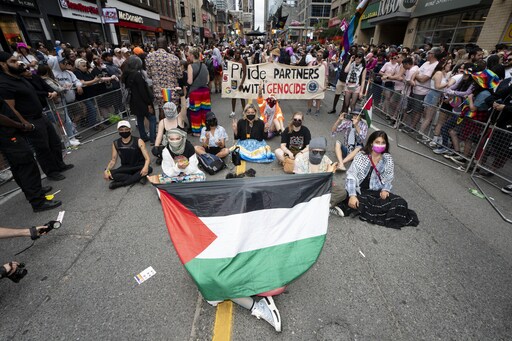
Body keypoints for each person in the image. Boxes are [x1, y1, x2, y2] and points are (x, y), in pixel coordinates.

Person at [0, 51, 73, 181]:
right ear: (3, 65)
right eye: (13, 61)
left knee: (55, 142)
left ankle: (59, 165)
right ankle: (51, 172)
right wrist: (24, 123)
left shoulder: (19, 78)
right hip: (30, 120)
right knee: (42, 148)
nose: (17, 63)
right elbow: (10, 108)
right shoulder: (5, 84)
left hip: (40, 115)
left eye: (17, 60)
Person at [343, 131, 419, 227]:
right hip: (360, 190)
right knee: (360, 200)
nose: (380, 145)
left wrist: (385, 189)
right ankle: (354, 205)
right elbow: (351, 176)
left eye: (383, 143)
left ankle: (359, 208)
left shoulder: (387, 158)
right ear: (371, 143)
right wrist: (352, 195)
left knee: (400, 203)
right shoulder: (361, 155)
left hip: (376, 192)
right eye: (377, 142)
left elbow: (388, 177)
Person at [0, 98, 61, 212]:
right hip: (8, 135)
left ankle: (32, 193)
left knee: (18, 166)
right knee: (26, 166)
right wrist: (20, 125)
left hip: (8, 135)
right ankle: (38, 201)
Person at [293, 137, 346, 215]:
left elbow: (328, 180)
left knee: (342, 192)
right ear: (310, 150)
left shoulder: (326, 160)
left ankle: (324, 206)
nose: (318, 155)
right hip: (306, 188)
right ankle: (321, 207)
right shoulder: (300, 160)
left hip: (321, 187)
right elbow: (301, 183)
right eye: (315, 152)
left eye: (321, 152)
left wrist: (330, 174)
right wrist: (327, 174)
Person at [103, 120, 152, 189]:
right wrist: (106, 171)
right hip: (126, 168)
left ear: (130, 129)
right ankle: (139, 177)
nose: (124, 132)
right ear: (118, 130)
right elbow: (113, 160)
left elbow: (147, 158)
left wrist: (145, 167)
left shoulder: (139, 141)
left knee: (149, 169)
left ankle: (121, 183)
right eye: (121, 130)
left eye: (126, 129)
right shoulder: (116, 143)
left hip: (139, 166)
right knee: (110, 174)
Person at [121, 55, 156, 144]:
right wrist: (149, 103)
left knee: (140, 120)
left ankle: (143, 137)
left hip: (134, 102)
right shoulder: (137, 75)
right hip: (143, 102)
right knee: (152, 119)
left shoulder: (126, 75)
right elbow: (143, 91)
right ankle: (153, 138)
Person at [145, 38, 182, 110]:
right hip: (171, 91)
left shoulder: (149, 57)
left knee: (161, 110)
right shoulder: (174, 58)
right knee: (173, 111)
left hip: (158, 91)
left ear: (156, 45)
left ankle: (162, 121)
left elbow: (149, 75)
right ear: (166, 45)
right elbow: (180, 75)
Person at [187, 47, 211, 136]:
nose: (188, 57)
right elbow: (208, 80)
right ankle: (206, 129)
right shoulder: (204, 65)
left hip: (195, 92)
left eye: (188, 55)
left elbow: (190, 81)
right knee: (205, 111)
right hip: (205, 91)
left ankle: (197, 132)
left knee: (195, 112)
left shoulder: (190, 66)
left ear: (192, 56)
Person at [230, 48, 247, 118]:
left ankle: (244, 111)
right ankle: (233, 111)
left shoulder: (242, 61)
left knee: (241, 97)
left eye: (239, 53)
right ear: (234, 54)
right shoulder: (231, 61)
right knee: (233, 96)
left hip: (240, 81)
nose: (238, 54)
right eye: (236, 53)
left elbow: (245, 73)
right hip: (234, 81)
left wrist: (241, 83)